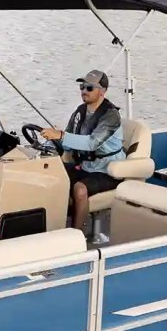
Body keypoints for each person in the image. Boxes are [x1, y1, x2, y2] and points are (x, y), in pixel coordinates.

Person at [41, 70, 124, 237]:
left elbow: (92, 143)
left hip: (107, 171)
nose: (84, 91)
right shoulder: (80, 111)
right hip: (85, 166)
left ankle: (77, 237)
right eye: (82, 87)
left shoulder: (111, 116)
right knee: (50, 173)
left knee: (80, 189)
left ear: (102, 91)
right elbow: (69, 140)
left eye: (89, 88)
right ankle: (50, 229)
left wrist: (60, 135)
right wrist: (50, 143)